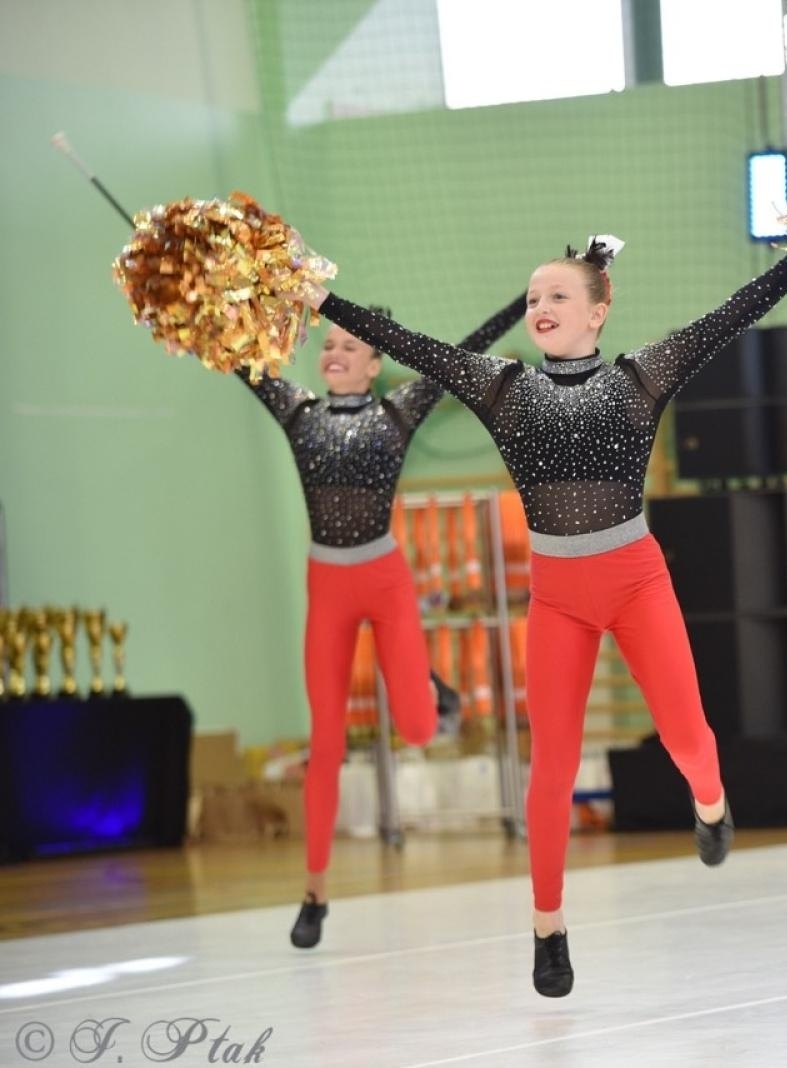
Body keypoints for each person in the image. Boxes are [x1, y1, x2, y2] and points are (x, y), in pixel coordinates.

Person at [295, 234, 787, 995]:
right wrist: (327, 303)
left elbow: (730, 315)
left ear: (598, 312)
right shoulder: (502, 384)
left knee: (688, 736)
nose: (540, 308)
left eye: (557, 297)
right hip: (558, 598)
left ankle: (710, 805)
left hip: (637, 581)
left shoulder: (643, 374)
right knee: (553, 768)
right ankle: (548, 928)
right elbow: (411, 343)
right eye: (534, 298)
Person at [238, 294, 526, 948]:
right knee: (329, 746)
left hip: (385, 580)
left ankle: (426, 688)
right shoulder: (297, 411)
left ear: (374, 365)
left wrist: (522, 303)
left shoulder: (400, 409)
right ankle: (314, 891)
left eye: (350, 347)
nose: (334, 353)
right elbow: (236, 355)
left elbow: (467, 346)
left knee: (421, 730)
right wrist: (190, 303)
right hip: (328, 587)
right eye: (329, 345)